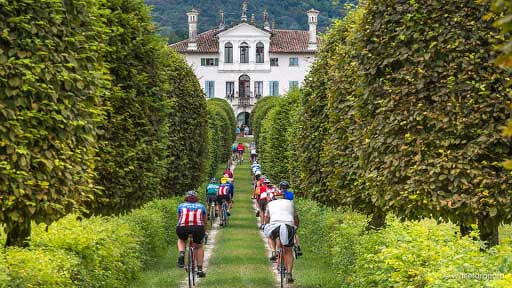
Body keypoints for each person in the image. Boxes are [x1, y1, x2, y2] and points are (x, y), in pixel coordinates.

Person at [264, 194, 300, 283]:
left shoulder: (270, 204)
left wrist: (266, 225)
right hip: (288, 226)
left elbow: (266, 218)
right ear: (284, 198)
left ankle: (273, 251)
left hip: (275, 225)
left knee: (270, 235)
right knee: (288, 251)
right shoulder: (291, 203)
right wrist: (295, 228)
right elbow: (296, 219)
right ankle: (289, 274)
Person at [176, 190, 207, 277]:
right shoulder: (201, 206)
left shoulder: (181, 206)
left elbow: (179, 219)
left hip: (182, 227)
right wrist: (205, 231)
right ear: (196, 199)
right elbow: (205, 221)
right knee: (199, 246)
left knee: (181, 239)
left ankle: (182, 253)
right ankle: (200, 269)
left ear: (186, 198)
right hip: (198, 228)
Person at [279, 181, 302, 256]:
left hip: (283, 212)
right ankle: (298, 246)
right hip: (290, 211)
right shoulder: (290, 194)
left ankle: (278, 248)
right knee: (294, 230)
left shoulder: (279, 194)